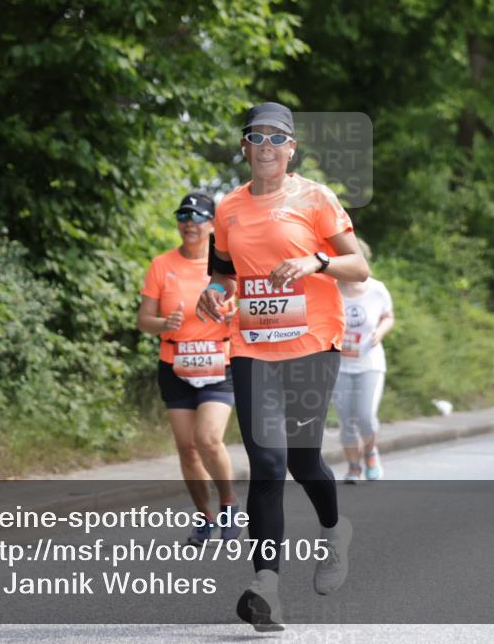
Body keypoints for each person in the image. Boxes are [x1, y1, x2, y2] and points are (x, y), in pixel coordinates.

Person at [196, 102, 369, 631]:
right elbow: (222, 276)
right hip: (252, 346)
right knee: (267, 465)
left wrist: (315, 261)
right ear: (245, 147)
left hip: (313, 342)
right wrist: (211, 293)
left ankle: (334, 531)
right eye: (257, 137)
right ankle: (266, 587)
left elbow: (358, 267)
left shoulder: (315, 197)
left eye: (277, 138)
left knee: (301, 459)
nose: (267, 146)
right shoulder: (227, 208)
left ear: (292, 148)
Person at [138, 192, 241, 545]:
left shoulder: (226, 265)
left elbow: (249, 312)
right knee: (187, 448)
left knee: (208, 438)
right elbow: (143, 320)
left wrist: (232, 314)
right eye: (184, 216)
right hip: (176, 364)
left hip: (218, 363)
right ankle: (204, 517)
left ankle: (228, 504)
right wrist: (164, 323)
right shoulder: (161, 265)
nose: (190, 223)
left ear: (212, 224)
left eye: (198, 217)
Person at [332, 239, 394, 482]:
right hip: (339, 366)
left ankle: (370, 452)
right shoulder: (330, 289)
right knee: (346, 419)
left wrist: (380, 331)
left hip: (370, 362)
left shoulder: (377, 289)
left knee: (366, 417)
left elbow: (388, 316)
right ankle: (353, 467)